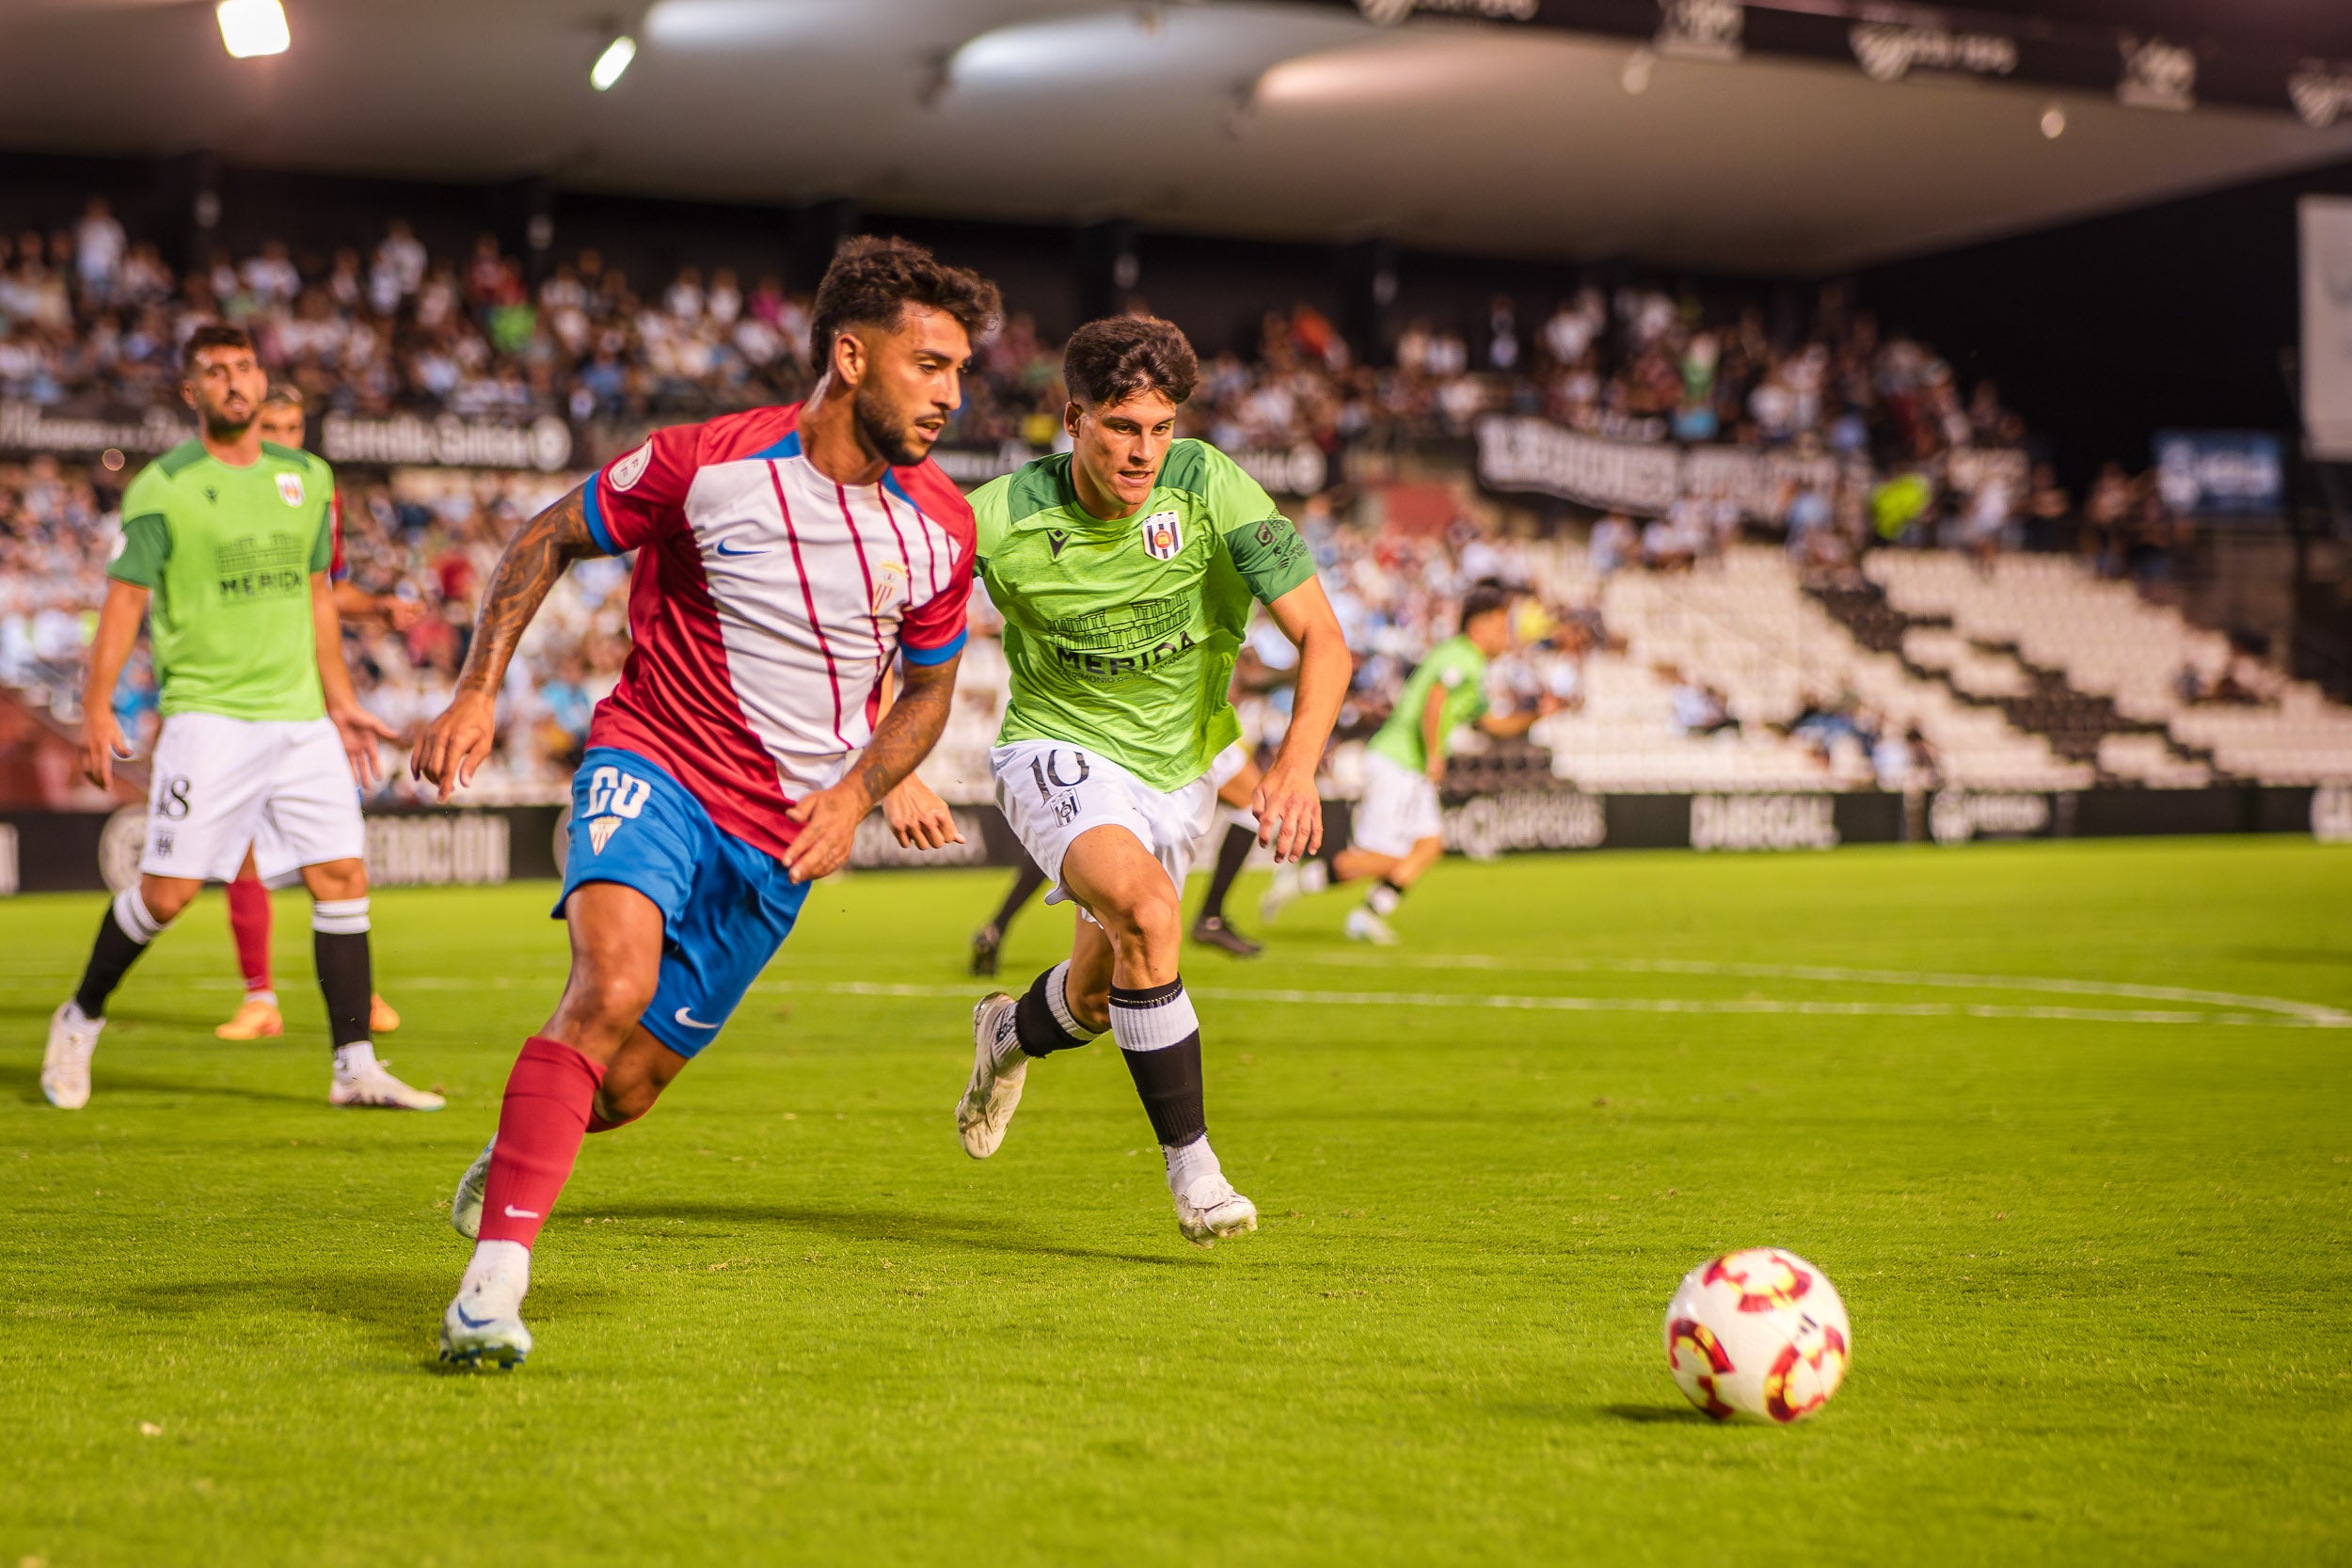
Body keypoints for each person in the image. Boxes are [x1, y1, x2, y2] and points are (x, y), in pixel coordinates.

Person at [413, 237, 997, 1368]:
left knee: (623, 1088)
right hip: (656, 758)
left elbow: (928, 695)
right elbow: (546, 536)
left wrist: (860, 789)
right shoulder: (704, 462)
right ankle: (490, 1284)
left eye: (959, 370)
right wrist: (479, 689)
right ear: (849, 353)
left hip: (783, 837)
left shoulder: (941, 528)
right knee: (609, 984)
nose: (951, 396)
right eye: (929, 365)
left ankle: (520, 1146)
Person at [941, 315, 1349, 1246]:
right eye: (1123, 426)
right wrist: (893, 768)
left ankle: (1005, 1035)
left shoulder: (1211, 486)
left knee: (1099, 992)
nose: (1144, 451)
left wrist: (1294, 768)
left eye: (1161, 427)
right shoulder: (997, 515)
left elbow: (1324, 638)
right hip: (1057, 745)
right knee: (1153, 914)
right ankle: (1195, 1170)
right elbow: (896, 630)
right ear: (1073, 416)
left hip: (1183, 762)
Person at [40, 325, 431, 1112]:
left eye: (245, 367)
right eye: (215, 371)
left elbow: (316, 594)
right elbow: (124, 601)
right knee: (167, 895)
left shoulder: (308, 477)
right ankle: (78, 1018)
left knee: (341, 877)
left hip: (300, 719)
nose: (233, 381)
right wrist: (94, 705)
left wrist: (343, 701)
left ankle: (353, 1065)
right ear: (193, 391)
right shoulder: (165, 486)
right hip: (208, 718)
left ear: (262, 380)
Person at [215, 383, 417, 1043]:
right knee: (235, 853)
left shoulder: (314, 494)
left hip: (306, 700)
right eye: (274, 424)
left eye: (297, 426)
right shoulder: (219, 492)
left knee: (331, 852)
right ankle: (260, 998)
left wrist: (378, 607)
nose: (287, 438)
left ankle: (360, 989)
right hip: (238, 697)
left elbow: (321, 591)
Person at [1261, 584, 1555, 945]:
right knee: (1380, 858)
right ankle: (1298, 880)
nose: (1507, 636)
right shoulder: (1460, 656)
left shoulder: (1472, 666)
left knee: (1429, 845)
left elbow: (1491, 724)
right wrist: (1434, 753)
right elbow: (1435, 699)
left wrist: (1537, 715)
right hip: (1396, 762)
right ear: (1479, 627)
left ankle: (1367, 915)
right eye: (1501, 626)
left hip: (1409, 767)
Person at [968, 756, 1269, 976]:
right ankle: (1205, 918)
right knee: (1094, 991)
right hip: (1160, 716)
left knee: (1079, 827)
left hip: (1170, 714)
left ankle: (998, 926)